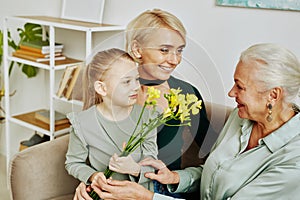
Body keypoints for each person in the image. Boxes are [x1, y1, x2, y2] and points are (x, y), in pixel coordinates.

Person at [90, 43, 300, 199]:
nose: (230, 92)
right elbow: (214, 172)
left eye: (240, 86)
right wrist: (175, 178)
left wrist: (148, 197)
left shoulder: (294, 160)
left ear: (273, 95)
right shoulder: (242, 117)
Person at [74, 8, 213, 199]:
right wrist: (87, 180)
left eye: (179, 50)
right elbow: (88, 145)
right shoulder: (110, 88)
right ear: (137, 49)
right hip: (110, 189)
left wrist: (177, 179)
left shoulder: (186, 95)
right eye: (164, 50)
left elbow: (214, 154)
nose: (174, 60)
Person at [65, 48, 158, 200]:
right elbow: (73, 163)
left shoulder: (147, 118)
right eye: (126, 81)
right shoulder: (82, 123)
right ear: (102, 88)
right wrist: (93, 176)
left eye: (136, 79)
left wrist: (134, 169)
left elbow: (152, 163)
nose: (135, 86)